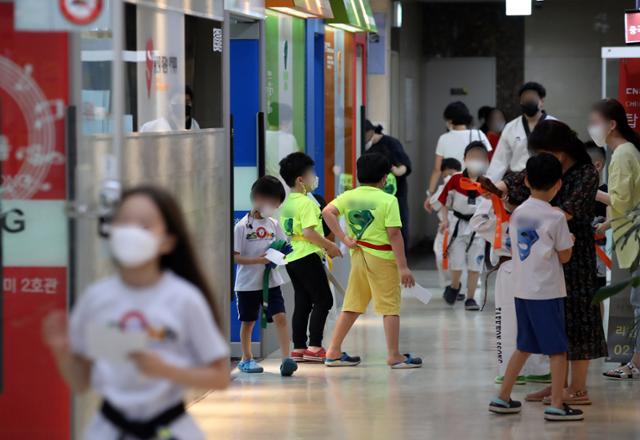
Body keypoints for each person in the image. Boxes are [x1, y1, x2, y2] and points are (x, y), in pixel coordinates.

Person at [42, 185, 230, 439]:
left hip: (170, 428)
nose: (130, 232)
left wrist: (166, 371)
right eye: (123, 222)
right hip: (107, 429)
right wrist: (62, 351)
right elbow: (81, 382)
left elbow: (219, 377)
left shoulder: (183, 299)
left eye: (144, 225)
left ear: (167, 241)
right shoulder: (96, 299)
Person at [500, 120, 607, 405]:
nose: (542, 157)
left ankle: (578, 388)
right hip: (547, 260)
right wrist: (496, 187)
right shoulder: (545, 169)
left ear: (562, 148)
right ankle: (558, 386)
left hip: (576, 254)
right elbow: (519, 180)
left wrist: (530, 211)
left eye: (546, 151)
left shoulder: (584, 173)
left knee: (579, 318)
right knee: (556, 325)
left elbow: (568, 212)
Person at [489, 154, 583, 422]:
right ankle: (556, 404)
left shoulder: (518, 212)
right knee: (557, 349)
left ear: (527, 180)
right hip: (547, 291)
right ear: (559, 184)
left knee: (525, 345)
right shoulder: (555, 217)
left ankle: (503, 396)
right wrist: (570, 242)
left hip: (522, 290)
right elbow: (564, 256)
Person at [322, 153, 422, 369]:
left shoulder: (349, 196)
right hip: (383, 258)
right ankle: (394, 355)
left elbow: (327, 211)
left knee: (353, 304)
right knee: (390, 307)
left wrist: (343, 238)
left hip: (358, 255)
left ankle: (333, 351)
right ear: (385, 178)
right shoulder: (388, 200)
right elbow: (395, 235)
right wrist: (403, 267)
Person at [471, 194, 551, 386]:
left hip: (510, 269)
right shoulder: (544, 212)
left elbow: (477, 221)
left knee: (507, 321)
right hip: (537, 271)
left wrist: (492, 198)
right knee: (537, 319)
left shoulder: (497, 220)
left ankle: (510, 370)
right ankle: (539, 369)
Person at [588, 98, 640, 380]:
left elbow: (620, 200)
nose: (591, 128)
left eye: (595, 122)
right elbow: (631, 202)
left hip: (636, 238)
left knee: (639, 302)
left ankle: (636, 362)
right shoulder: (628, 150)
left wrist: (591, 189)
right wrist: (608, 224)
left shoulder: (622, 154)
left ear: (611, 125)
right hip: (631, 231)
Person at [279, 152, 342, 362]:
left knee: (303, 301)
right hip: (307, 254)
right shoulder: (307, 203)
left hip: (292, 257)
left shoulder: (287, 203)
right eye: (311, 173)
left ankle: (298, 347)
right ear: (300, 180)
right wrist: (330, 245)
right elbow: (309, 232)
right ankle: (315, 347)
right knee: (324, 299)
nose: (314, 177)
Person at [233, 176, 297, 377]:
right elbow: (236, 258)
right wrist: (258, 261)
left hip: (272, 282)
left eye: (276, 205)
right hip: (247, 284)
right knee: (248, 321)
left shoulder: (274, 224)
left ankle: (287, 359)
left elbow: (284, 246)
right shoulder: (241, 227)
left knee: (281, 317)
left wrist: (279, 255)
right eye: (272, 203)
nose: (274, 208)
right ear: (257, 198)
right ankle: (247, 358)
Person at [437, 141, 490, 311]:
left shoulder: (489, 181)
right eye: (472, 156)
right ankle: (454, 286)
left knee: (476, 264)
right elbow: (444, 200)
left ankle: (471, 298)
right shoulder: (455, 179)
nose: (476, 160)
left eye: (480, 157)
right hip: (458, 225)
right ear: (465, 158)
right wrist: (445, 220)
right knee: (457, 262)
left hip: (479, 227)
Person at [426, 101, 492, 211]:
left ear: (450, 120)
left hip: (453, 190)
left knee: (450, 223)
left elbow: (437, 169)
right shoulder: (479, 134)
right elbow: (490, 161)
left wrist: (430, 194)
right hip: (476, 190)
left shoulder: (443, 138)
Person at [487, 82, 556, 181]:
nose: (528, 101)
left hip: (547, 179)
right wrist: (490, 183)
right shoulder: (510, 127)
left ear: (542, 101)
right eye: (525, 99)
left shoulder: (554, 125)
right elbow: (500, 161)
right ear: (520, 102)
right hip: (518, 181)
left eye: (532, 99)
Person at [364, 120, 413, 245]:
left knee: (397, 226)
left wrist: (396, 170)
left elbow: (405, 166)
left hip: (394, 193)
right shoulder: (358, 144)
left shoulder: (390, 143)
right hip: (372, 195)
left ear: (370, 131)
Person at [428, 158, 462, 287]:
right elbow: (434, 203)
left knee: (460, 257)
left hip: (461, 225)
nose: (448, 177)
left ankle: (461, 285)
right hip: (445, 226)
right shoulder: (443, 187)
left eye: (451, 174)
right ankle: (450, 284)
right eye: (445, 175)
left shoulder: (465, 185)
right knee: (441, 255)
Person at [585, 142, 609, 290]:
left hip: (600, 256)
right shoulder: (577, 193)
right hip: (578, 255)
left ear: (597, 165)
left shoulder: (608, 194)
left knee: (598, 293)